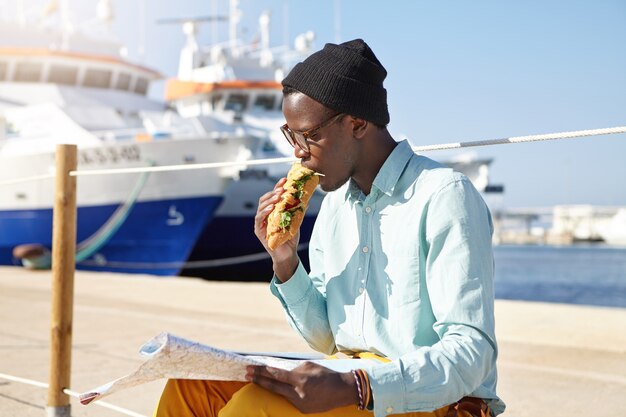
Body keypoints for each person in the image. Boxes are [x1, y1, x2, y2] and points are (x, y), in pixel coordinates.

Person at [153, 38, 505, 417]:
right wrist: (285, 261)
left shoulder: (444, 195)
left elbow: (472, 351)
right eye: (292, 135)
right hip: (350, 375)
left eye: (309, 135)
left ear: (357, 124)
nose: (298, 152)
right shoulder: (334, 205)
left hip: (431, 400)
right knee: (190, 387)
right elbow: (325, 340)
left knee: (254, 407)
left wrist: (356, 386)